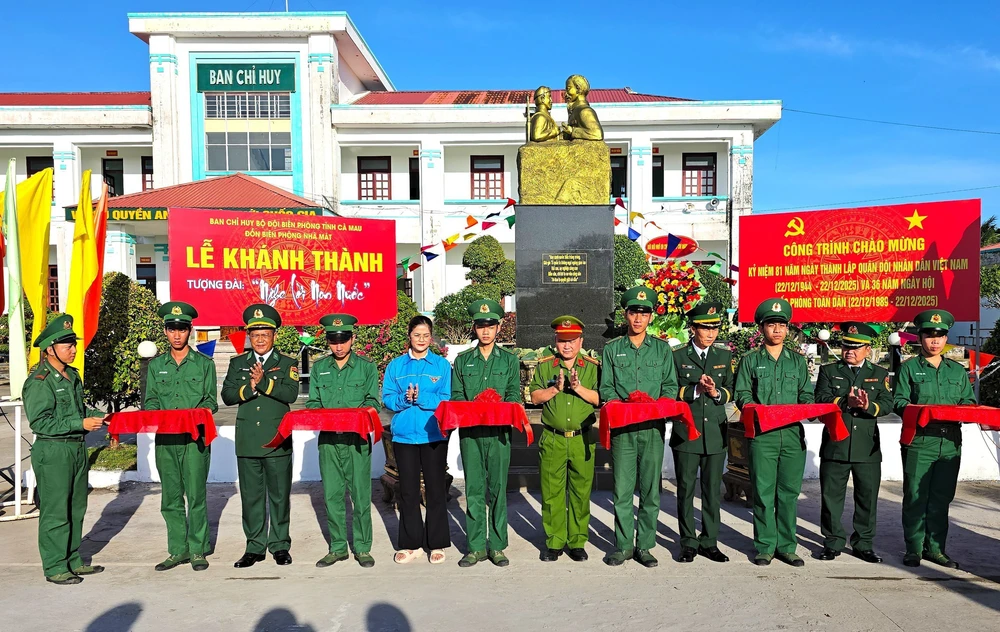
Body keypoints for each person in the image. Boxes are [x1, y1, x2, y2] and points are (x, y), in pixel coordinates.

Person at [23, 315, 107, 585]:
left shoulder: (71, 375)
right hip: (53, 451)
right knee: (56, 510)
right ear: (50, 349)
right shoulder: (39, 380)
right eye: (67, 345)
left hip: (76, 448)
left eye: (73, 344)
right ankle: (55, 566)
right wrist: (79, 423)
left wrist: (98, 416)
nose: (73, 349)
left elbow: (78, 410)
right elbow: (41, 421)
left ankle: (72, 559)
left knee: (76, 507)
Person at [599, 286, 678, 568]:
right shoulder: (612, 350)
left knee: (650, 491)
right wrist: (621, 402)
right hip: (623, 429)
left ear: (651, 317)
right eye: (633, 312)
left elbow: (669, 386)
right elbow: (606, 387)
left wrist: (656, 405)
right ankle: (622, 546)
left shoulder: (661, 349)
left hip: (652, 429)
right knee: (621, 490)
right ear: (626, 314)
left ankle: (644, 545)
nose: (638, 318)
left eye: (644, 314)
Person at [893, 309, 975, 569]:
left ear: (946, 337)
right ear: (920, 337)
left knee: (941, 497)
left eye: (940, 335)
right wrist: (921, 412)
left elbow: (969, 402)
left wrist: (967, 412)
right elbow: (899, 402)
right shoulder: (909, 369)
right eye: (929, 335)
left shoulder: (957, 371)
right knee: (916, 496)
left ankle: (936, 550)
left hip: (950, 442)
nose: (935, 340)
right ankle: (914, 549)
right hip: (920, 441)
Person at [734, 298, 813, 567]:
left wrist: (806, 408)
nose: (777, 330)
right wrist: (753, 407)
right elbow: (742, 393)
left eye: (781, 325)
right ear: (762, 328)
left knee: (788, 493)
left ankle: (787, 546)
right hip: (763, 434)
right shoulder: (751, 360)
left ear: (788, 329)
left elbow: (806, 394)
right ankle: (765, 546)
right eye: (771, 325)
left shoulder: (797, 362)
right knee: (763, 492)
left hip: (791, 435)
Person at [221, 304, 299, 568]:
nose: (261, 339)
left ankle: (279, 545)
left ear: (274, 335)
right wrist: (249, 388)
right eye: (255, 334)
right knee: (251, 497)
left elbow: (289, 395)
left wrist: (264, 383)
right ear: (248, 337)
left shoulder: (287, 363)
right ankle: (254, 546)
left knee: (279, 496)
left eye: (266, 333)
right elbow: (228, 396)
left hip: (277, 439)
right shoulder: (237, 363)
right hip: (248, 441)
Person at [144, 301, 218, 572]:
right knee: (170, 498)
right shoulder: (156, 366)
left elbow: (211, 401)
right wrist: (155, 415)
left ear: (190, 331)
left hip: (194, 440)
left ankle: (198, 550)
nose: (177, 334)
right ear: (165, 331)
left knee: (196, 495)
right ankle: (177, 550)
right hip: (166, 440)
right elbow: (151, 400)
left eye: (182, 329)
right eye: (172, 329)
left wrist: (196, 415)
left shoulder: (203, 364)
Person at [306, 313, 381, 569]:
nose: (338, 345)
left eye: (343, 339)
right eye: (333, 340)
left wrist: (353, 416)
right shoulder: (319, 368)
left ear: (352, 339)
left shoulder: (366, 367)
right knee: (332, 496)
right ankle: (337, 547)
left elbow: (373, 402)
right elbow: (314, 402)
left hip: (356, 440)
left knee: (361, 496)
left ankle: (362, 548)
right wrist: (323, 413)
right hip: (328, 441)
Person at [814, 322, 892, 564]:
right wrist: (844, 402)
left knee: (867, 498)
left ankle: (863, 544)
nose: (850, 350)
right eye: (846, 345)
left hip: (866, 448)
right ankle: (832, 542)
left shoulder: (879, 374)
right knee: (831, 498)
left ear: (868, 349)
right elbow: (820, 400)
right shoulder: (829, 371)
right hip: (836, 444)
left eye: (857, 347)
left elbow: (888, 404)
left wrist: (868, 406)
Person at [451, 298, 521, 568]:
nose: (486, 331)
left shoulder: (509, 360)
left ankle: (498, 546)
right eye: (481, 326)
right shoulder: (463, 361)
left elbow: (514, 394)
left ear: (499, 327)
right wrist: (475, 405)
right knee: (475, 489)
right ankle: (476, 546)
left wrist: (497, 404)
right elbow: (457, 396)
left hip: (499, 433)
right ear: (474, 328)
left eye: (490, 326)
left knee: (498, 489)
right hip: (471, 433)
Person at [528, 315, 600, 562]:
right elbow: (534, 397)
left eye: (572, 340)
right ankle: (555, 541)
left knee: (580, 493)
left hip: (582, 440)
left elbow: (600, 398)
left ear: (581, 341)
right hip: (553, 439)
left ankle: (578, 541)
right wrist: (555, 389)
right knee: (552, 493)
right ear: (555, 341)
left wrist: (578, 388)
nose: (567, 346)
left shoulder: (592, 366)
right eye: (562, 340)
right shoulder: (546, 365)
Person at [382, 315, 453, 565]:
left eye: (425, 335)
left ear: (431, 338)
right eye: (416, 335)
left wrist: (422, 398)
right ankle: (410, 543)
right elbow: (388, 397)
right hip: (404, 437)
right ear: (409, 337)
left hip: (433, 435)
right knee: (409, 491)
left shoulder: (441, 366)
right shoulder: (396, 366)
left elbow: (446, 399)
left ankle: (437, 543)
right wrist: (403, 400)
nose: (421, 340)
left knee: (435, 491)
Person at [672, 302, 733, 563]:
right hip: (687, 432)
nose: (710, 333)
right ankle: (688, 542)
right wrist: (695, 390)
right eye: (705, 328)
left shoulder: (723, 356)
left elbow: (731, 390)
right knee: (685, 489)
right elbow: (669, 390)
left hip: (716, 433)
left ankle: (710, 541)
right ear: (693, 328)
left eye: (715, 328)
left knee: (711, 490)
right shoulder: (677, 356)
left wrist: (715, 392)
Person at [560, 74, 604, 141]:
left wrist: (572, 131)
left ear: (578, 89)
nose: (565, 94)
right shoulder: (575, 111)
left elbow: (597, 133)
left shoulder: (585, 111)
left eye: (568, 89)